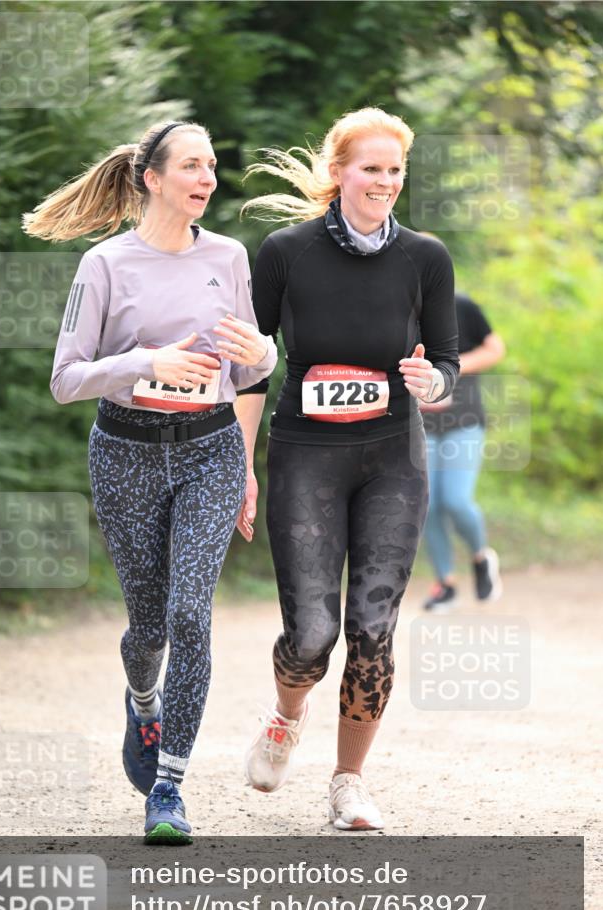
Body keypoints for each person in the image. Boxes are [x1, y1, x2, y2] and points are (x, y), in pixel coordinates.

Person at [22, 120, 277, 843]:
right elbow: (65, 379)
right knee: (148, 628)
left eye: (213, 166)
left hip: (210, 452)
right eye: (192, 166)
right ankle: (142, 700)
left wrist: (263, 352)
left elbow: (252, 366)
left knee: (191, 617)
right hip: (126, 451)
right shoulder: (104, 265)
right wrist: (144, 363)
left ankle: (167, 788)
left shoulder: (228, 256)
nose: (207, 178)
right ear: (151, 179)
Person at [239, 107, 460, 829]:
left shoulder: (424, 257)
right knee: (310, 637)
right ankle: (285, 713)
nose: (385, 182)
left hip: (393, 457)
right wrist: (240, 462)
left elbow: (446, 360)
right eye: (371, 168)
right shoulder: (284, 251)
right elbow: (248, 362)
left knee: (373, 628)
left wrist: (435, 384)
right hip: (306, 455)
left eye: (395, 170)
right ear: (338, 173)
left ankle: (347, 783)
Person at [420, 283, 506, 611]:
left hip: (464, 421)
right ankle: (445, 584)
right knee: (427, 504)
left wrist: (449, 367)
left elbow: (495, 349)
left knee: (455, 500)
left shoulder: (461, 305)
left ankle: (481, 556)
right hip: (418, 424)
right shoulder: (394, 309)